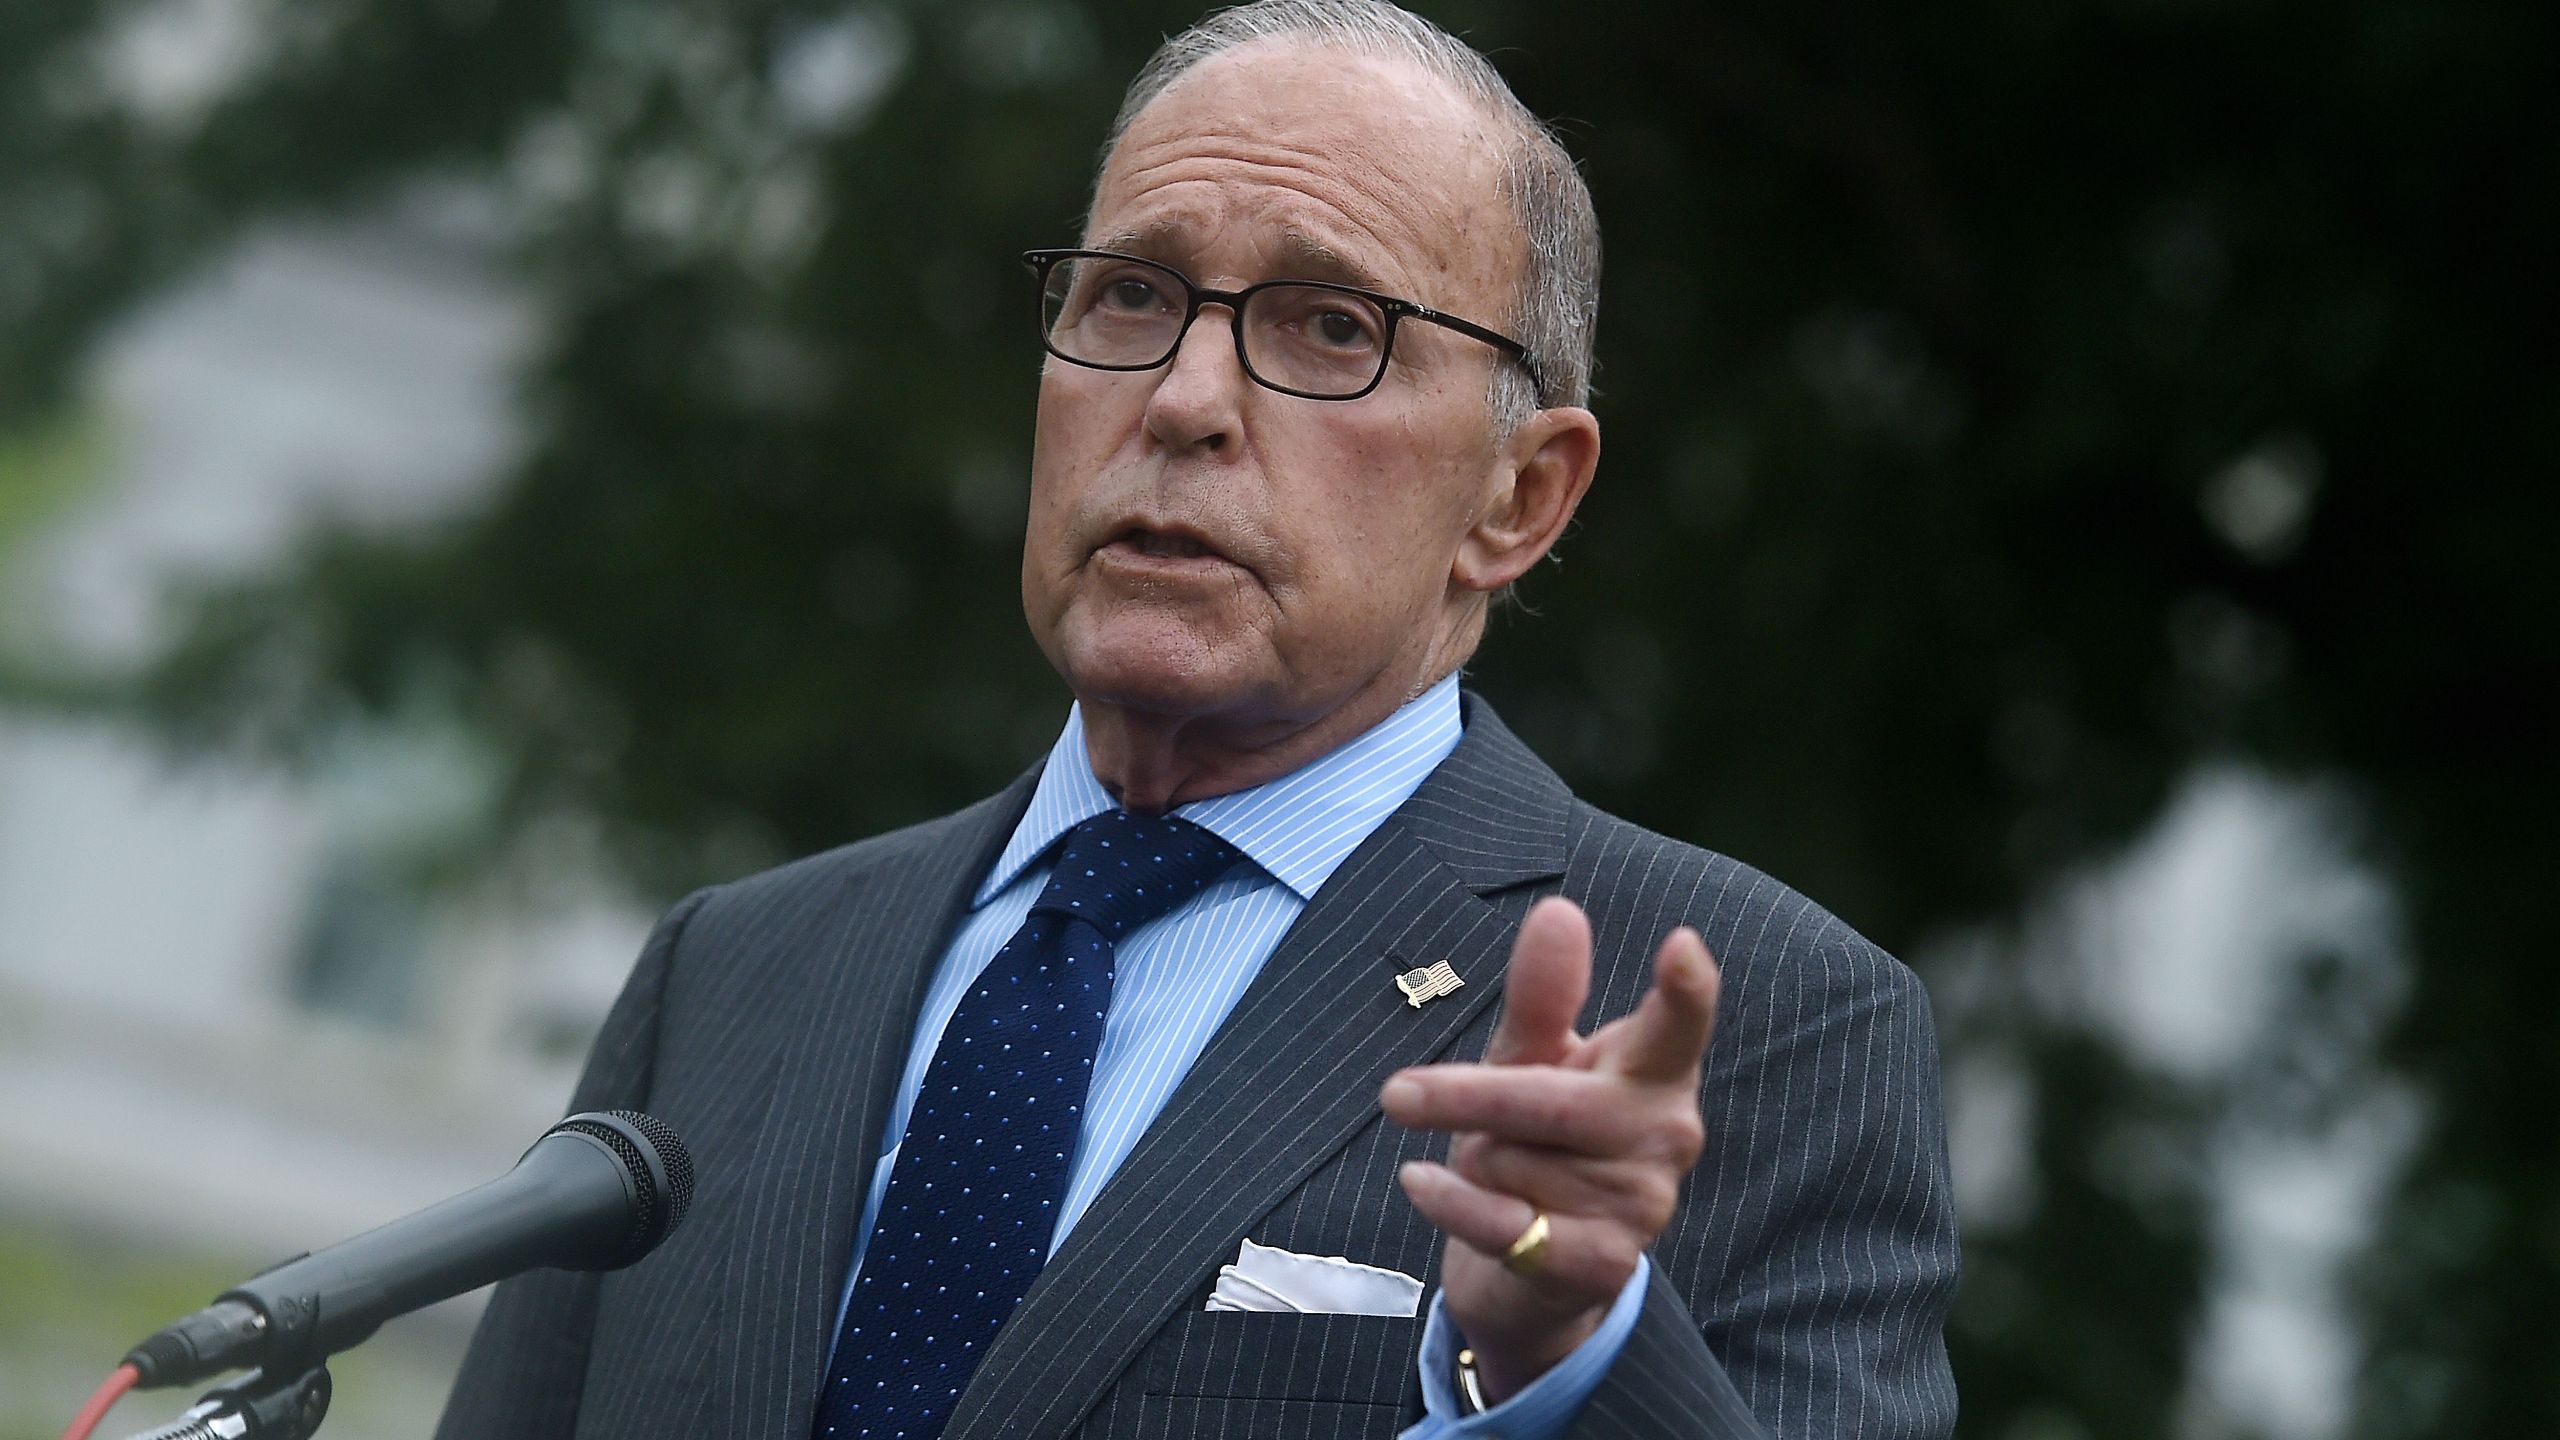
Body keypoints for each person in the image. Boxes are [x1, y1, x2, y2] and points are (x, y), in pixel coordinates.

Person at [434, 2, 1958, 1436]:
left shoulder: (1762, 1028)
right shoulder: (736, 968)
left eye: (1328, 328)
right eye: (1133, 295)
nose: (1183, 398)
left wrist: (1565, 1360)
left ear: (1520, 495)